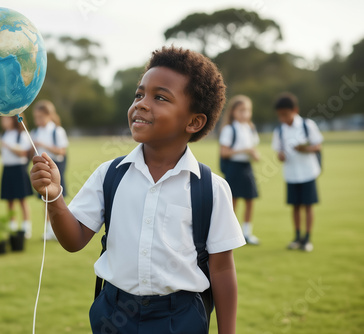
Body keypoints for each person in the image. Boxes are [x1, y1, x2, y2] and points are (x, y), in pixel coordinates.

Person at [31, 46, 245, 334]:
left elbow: (221, 269)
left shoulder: (211, 188)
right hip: (114, 313)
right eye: (139, 94)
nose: (142, 104)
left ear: (193, 121)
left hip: (180, 318)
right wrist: (54, 197)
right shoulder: (110, 174)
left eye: (160, 97)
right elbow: (74, 240)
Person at [272, 92, 323, 252]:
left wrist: (304, 149)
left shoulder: (308, 125)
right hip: (291, 174)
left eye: (285, 114)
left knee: (308, 206)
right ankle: (297, 237)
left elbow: (318, 146)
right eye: (280, 115)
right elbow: (278, 153)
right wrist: (280, 156)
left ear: (295, 110)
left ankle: (307, 239)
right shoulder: (279, 130)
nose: (283, 118)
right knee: (295, 206)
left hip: (308, 172)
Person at [219, 95, 261, 245]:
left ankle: (247, 233)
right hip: (234, 168)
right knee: (233, 202)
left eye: (248, 110)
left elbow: (252, 147)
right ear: (233, 112)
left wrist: (254, 154)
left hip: (247, 168)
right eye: (241, 110)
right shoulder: (229, 129)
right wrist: (246, 150)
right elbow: (224, 152)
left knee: (250, 200)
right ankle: (230, 234)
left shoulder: (250, 128)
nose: (245, 113)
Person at [31, 100, 69, 240]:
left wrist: (43, 145)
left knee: (58, 200)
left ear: (48, 115)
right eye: (36, 118)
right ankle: (48, 230)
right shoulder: (35, 131)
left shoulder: (57, 131)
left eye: (40, 117)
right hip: (43, 168)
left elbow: (61, 151)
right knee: (45, 200)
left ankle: (60, 230)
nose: (38, 120)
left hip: (55, 167)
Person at [0, 116, 33, 238]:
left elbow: (23, 153)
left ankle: (26, 228)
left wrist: (7, 146)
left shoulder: (21, 135)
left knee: (22, 200)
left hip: (19, 169)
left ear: (12, 120)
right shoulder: (4, 134)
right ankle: (12, 227)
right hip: (7, 169)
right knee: (9, 200)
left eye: (6, 119)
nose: (3, 121)